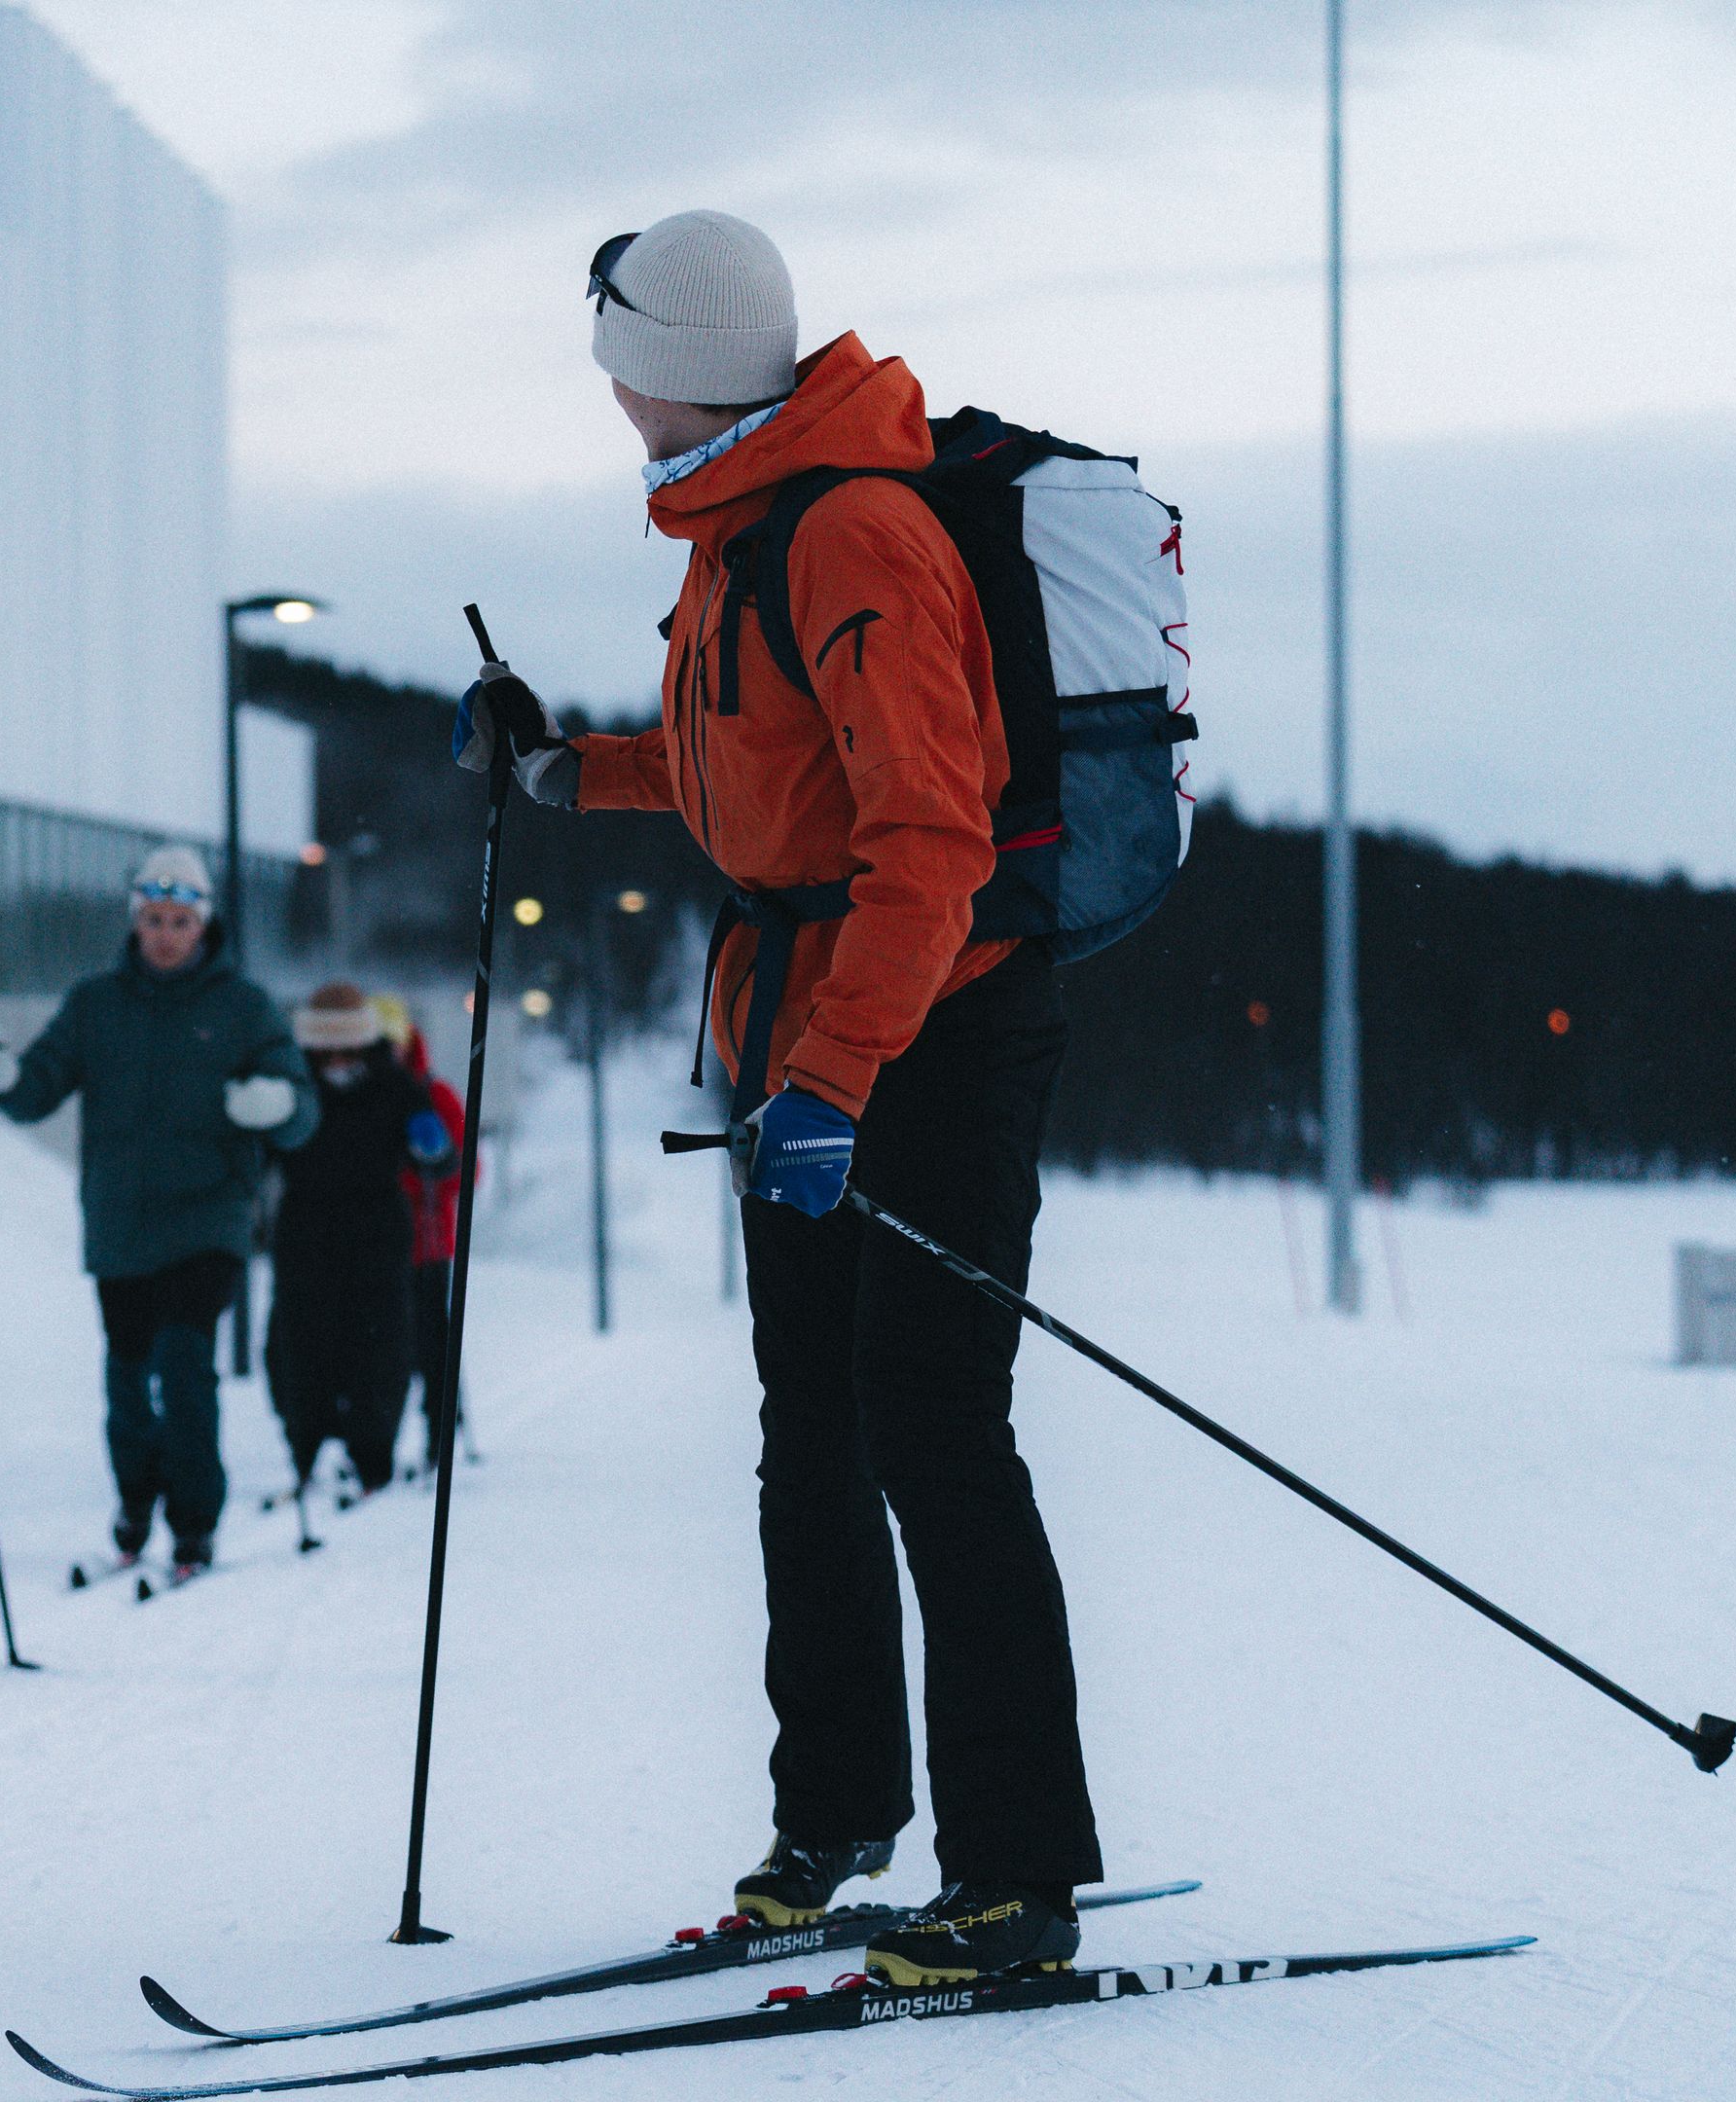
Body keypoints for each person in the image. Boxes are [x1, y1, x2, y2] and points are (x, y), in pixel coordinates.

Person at [457, 211, 1102, 1981]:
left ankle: (1015, 1877)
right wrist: (558, 766)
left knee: (935, 1432)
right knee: (806, 1438)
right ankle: (833, 1820)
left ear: (674, 365)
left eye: (617, 359)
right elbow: (742, 764)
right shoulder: (742, 528)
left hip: (934, 1026)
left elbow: (931, 837)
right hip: (798, 1032)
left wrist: (833, 1084)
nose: (607, 392)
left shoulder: (854, 529)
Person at [0, 847, 315, 1580]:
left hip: (209, 1218)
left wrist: (278, 1104)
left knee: (186, 1363)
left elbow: (301, 1110)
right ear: (135, 921)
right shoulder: (95, 1004)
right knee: (128, 1378)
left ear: (203, 925)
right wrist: (0, 1075)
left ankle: (194, 1523)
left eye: (179, 920)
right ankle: (136, 1502)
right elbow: (37, 1087)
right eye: (153, 920)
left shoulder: (244, 1007)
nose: (166, 934)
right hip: (120, 1221)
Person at [265, 984, 448, 1497]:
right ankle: (306, 1441)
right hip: (305, 1229)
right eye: (326, 1048)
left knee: (380, 1345)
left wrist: (432, 1149)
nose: (337, 1060)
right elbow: (260, 1155)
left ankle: (373, 1450)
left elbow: (439, 1160)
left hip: (378, 1232)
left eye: (347, 1047)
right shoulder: (293, 1086)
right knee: (301, 1343)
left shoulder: (396, 1086)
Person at [373, 996, 472, 1468]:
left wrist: (426, 1167)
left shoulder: (436, 1096)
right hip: (375, 1247)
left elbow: (466, 1171)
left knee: (432, 1343)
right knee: (384, 1345)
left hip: (427, 1244)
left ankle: (440, 1431)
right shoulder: (364, 1100)